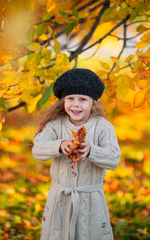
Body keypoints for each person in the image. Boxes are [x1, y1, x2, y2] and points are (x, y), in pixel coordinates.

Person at [32, 68, 121, 240]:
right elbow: (37, 150)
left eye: (83, 99)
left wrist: (92, 151)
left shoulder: (103, 127)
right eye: (70, 98)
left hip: (91, 199)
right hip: (60, 199)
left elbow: (114, 159)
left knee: (89, 234)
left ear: (93, 103)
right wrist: (59, 146)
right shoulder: (55, 125)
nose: (75, 104)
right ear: (63, 101)